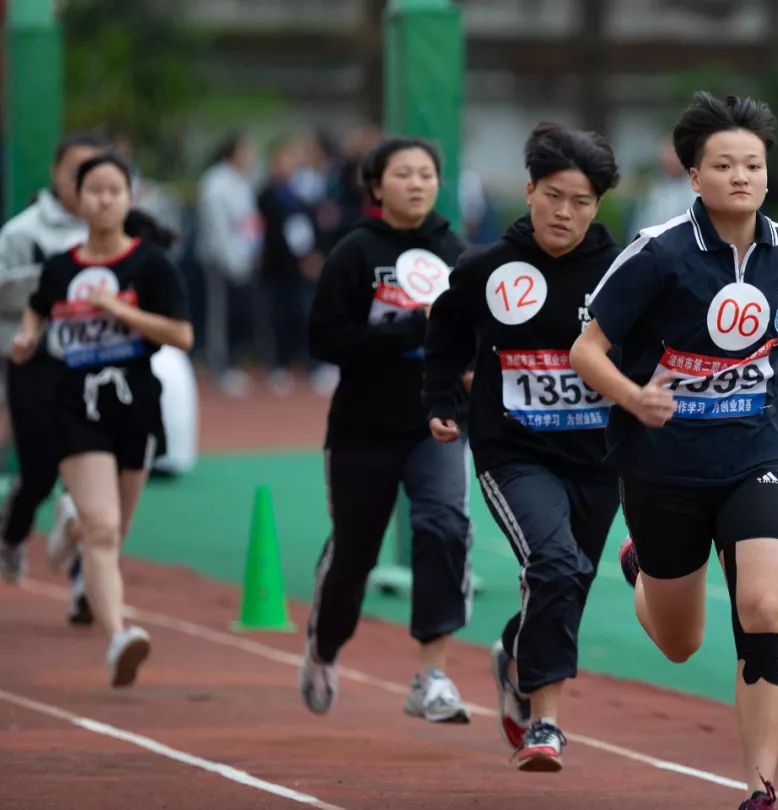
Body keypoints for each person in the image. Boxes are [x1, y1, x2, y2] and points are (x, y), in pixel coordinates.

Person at [569, 93, 778, 808]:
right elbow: (585, 349)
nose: (741, 175)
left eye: (753, 163)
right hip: (663, 468)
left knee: (761, 608)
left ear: (768, 175)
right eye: (723, 164)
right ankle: (640, 570)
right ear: (693, 175)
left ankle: (760, 787)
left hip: (756, 455)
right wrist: (633, 396)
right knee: (681, 642)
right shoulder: (658, 255)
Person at [423, 123, 622, 771]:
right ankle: (546, 725)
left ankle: (514, 655)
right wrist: (443, 400)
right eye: (555, 196)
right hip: (514, 453)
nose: (566, 213)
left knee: (570, 582)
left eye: (583, 201)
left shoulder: (622, 273)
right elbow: (446, 326)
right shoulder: (487, 268)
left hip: (598, 459)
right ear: (530, 190)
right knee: (556, 565)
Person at [299, 137, 473, 725]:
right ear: (376, 186)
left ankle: (433, 672)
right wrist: (409, 332)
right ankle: (324, 647)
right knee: (355, 554)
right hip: (361, 428)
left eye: (427, 173)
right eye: (404, 174)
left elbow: (476, 337)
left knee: (445, 527)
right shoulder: (354, 252)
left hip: (436, 423)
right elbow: (323, 340)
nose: (418, 183)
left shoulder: (458, 253)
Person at [12, 153, 193, 687]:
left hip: (135, 403)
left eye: (116, 189)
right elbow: (40, 307)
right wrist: (27, 336)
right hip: (74, 406)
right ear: (77, 199)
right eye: (94, 190)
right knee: (106, 530)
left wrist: (121, 312)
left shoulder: (151, 265)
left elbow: (183, 336)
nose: (105, 199)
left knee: (116, 529)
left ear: (130, 197)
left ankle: (71, 530)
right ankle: (118, 636)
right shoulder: (61, 266)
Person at [0, 132, 108, 622]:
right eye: (76, 171)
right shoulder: (24, 233)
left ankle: (87, 585)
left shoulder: (113, 234)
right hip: (34, 363)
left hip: (95, 366)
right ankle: (13, 532)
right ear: (56, 173)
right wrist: (51, 294)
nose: (88, 184)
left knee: (92, 477)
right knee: (41, 471)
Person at [195, 132, 261, 396]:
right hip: (219, 261)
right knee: (218, 314)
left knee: (237, 314)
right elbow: (217, 227)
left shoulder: (242, 181)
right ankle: (219, 367)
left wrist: (251, 254)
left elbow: (249, 222)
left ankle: (231, 361)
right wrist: (230, 259)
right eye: (247, 151)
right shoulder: (216, 182)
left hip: (244, 260)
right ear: (233, 152)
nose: (251, 157)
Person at [257, 139, 323, 395]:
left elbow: (307, 226)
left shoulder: (301, 193)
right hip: (275, 266)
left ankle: (309, 364)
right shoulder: (266, 194)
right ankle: (277, 365)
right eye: (285, 159)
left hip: (300, 268)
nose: (290, 165)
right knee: (276, 316)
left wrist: (311, 255)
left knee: (303, 313)